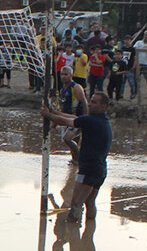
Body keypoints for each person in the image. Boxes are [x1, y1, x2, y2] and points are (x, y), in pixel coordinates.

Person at [42, 91, 113, 223]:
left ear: (104, 106)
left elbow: (65, 121)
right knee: (90, 202)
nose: (90, 104)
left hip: (88, 169)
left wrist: (48, 115)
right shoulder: (101, 121)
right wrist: (53, 112)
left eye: (94, 102)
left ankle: (73, 232)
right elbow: (73, 117)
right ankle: (88, 235)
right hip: (100, 170)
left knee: (76, 203)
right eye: (90, 101)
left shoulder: (92, 121)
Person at [57, 66, 87, 162]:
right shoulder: (62, 90)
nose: (63, 77)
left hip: (77, 118)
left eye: (66, 74)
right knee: (74, 143)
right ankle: (75, 162)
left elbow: (85, 103)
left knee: (67, 138)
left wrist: (85, 119)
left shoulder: (76, 87)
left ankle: (79, 160)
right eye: (62, 74)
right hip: (68, 119)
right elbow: (63, 106)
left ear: (71, 75)